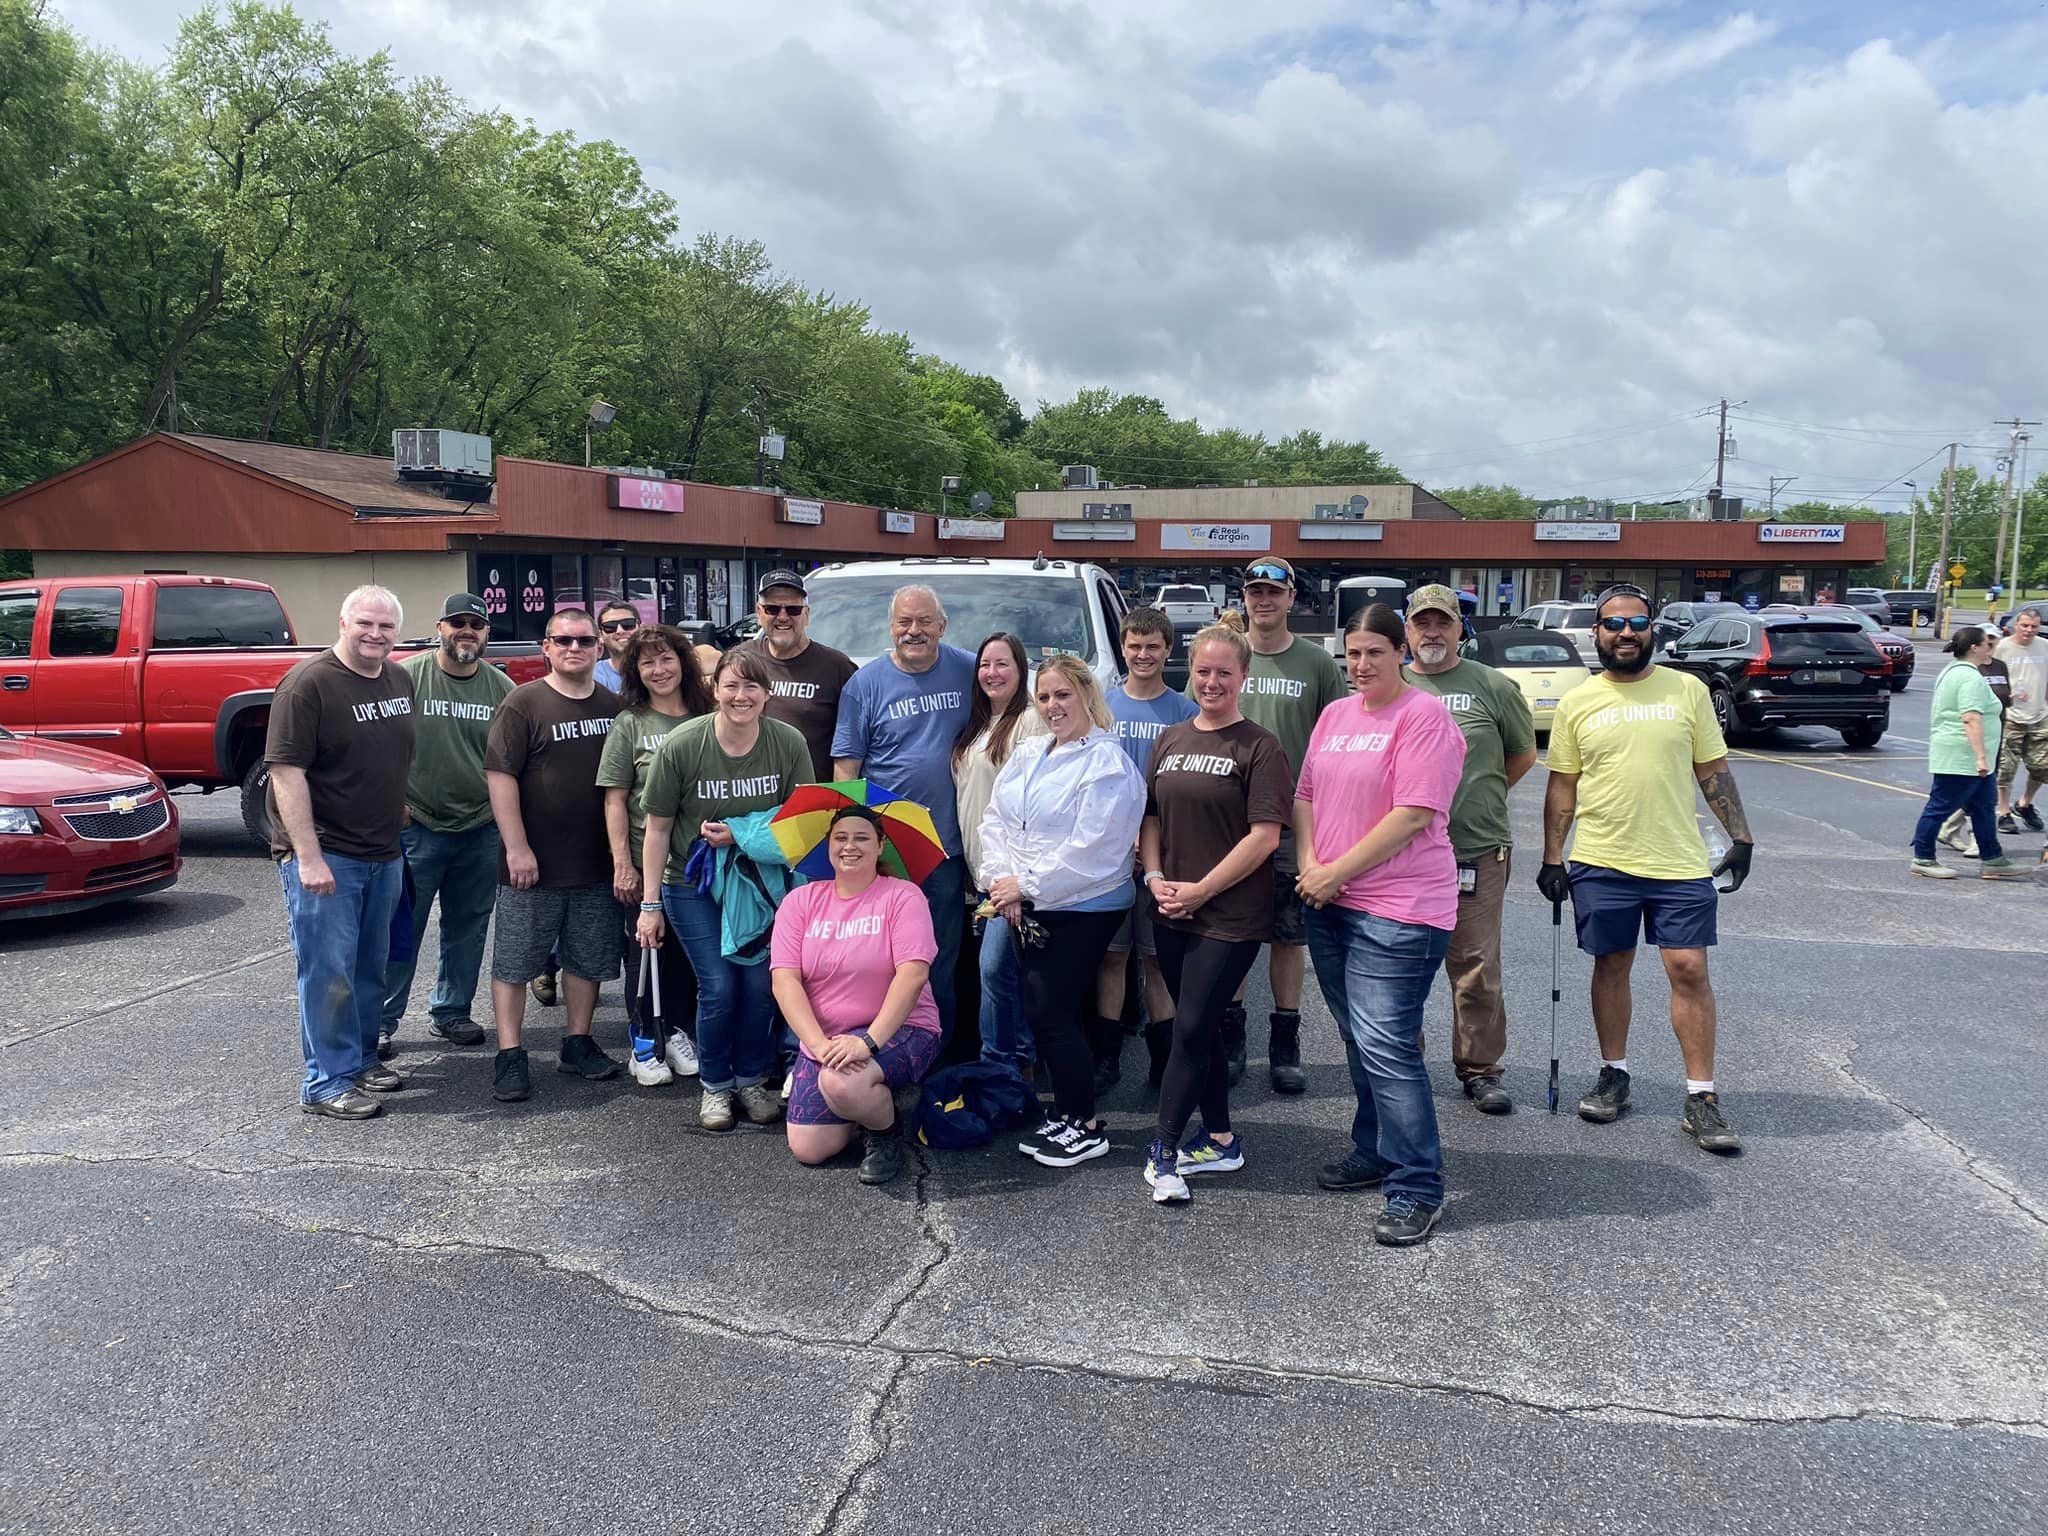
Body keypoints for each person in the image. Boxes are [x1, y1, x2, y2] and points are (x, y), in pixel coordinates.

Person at [1537, 584, 1755, 1157]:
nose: (1625, 633)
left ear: (1652, 628)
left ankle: (1701, 1097)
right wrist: (1552, 856)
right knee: (1611, 965)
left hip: (1677, 860)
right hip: (1601, 859)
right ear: (1597, 634)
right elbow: (1563, 786)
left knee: (1688, 969)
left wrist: (1741, 835)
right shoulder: (1579, 701)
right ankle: (1615, 1074)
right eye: (1613, 624)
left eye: (1636, 622)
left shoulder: (1687, 690)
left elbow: (1713, 769)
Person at [1297, 604, 1466, 1246]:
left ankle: (1417, 1187)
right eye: (1353, 653)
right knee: (1358, 1040)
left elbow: (1415, 814)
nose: (1361, 664)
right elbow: (1305, 794)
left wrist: (1335, 871)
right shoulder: (1337, 714)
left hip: (1398, 909)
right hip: (1329, 899)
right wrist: (1313, 863)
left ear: (1402, 653)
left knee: (1389, 1047)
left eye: (1374, 652)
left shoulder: (1424, 717)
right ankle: (1372, 1152)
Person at [1138, 618, 1291, 1204]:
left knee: (1194, 1026)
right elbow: (1150, 817)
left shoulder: (1259, 746)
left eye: (1225, 672)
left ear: (1243, 677)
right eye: (1203, 671)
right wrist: (1154, 878)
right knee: (1194, 1028)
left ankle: (1165, 1150)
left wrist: (1201, 889)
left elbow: (1264, 837)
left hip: (1228, 914)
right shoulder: (1171, 739)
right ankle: (1222, 1138)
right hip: (1170, 906)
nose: (1212, 681)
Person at [980, 655, 1146, 1168]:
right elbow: (996, 821)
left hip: (1084, 903)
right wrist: (1001, 881)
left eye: (1063, 695)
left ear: (1087, 696)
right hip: (1029, 900)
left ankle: (1087, 1125)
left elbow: (1094, 847)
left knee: (1052, 1011)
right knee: (1044, 1009)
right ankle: (1071, 1113)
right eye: (1045, 697)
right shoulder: (1029, 752)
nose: (1053, 706)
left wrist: (1023, 886)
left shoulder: (1107, 763)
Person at [1191, 557, 1349, 1092]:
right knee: (1233, 933)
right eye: (1255, 591)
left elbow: (1337, 740)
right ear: (1244, 597)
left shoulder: (1317, 664)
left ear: (1291, 599)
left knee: (1288, 937)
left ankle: (1285, 1040)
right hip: (1227, 824)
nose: (1263, 600)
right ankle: (1233, 1039)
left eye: (1273, 592)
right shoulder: (1227, 656)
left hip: (1289, 823)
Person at [639, 648, 813, 1130]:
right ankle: (715, 1087)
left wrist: (740, 834)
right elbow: (657, 828)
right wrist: (649, 905)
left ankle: (751, 1078)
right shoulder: (682, 744)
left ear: (767, 693)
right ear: (715, 690)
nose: (742, 696)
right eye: (731, 686)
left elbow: (801, 825)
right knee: (718, 986)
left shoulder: (787, 742)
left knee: (761, 985)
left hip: (759, 883)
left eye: (752, 686)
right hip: (692, 883)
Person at [266, 585, 417, 1119]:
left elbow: (391, 752)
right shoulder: (308, 685)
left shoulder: (398, 677)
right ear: (343, 622)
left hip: (384, 851)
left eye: (385, 627)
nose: (375, 634)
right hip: (330, 854)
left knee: (370, 965)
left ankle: (360, 1060)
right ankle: (326, 1082)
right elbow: (286, 774)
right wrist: (308, 857)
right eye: (365, 624)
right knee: (328, 972)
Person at [1399, 584, 1538, 1115]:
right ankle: (1404, 1061)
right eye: (1421, 623)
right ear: (1407, 630)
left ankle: (1479, 1069)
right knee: (1404, 963)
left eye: (1443, 622)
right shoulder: (1392, 682)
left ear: (1461, 628)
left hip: (1474, 849)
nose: (1431, 632)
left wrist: (1472, 797)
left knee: (1475, 965)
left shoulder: (1493, 686)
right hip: (1403, 854)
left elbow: (1521, 756)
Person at [482, 607, 623, 1103]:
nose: (574, 649)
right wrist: (517, 847)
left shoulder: (614, 706)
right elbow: (500, 777)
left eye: (585, 641)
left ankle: (577, 1042)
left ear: (598, 649)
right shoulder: (523, 704)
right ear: (546, 647)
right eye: (563, 641)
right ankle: (510, 1053)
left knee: (587, 958)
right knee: (517, 960)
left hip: (595, 861)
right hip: (532, 864)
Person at [832, 585, 977, 1040]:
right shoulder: (865, 684)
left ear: (942, 626)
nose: (914, 631)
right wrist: (851, 842)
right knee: (880, 959)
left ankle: (937, 1054)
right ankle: (883, 1047)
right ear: (891, 627)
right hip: (888, 850)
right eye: (904, 623)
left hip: (946, 850)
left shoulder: (969, 670)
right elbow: (846, 769)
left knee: (940, 958)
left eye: (924, 622)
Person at [771, 807, 943, 1185]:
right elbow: (784, 981)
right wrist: (817, 1044)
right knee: (810, 1148)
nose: (850, 846)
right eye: (841, 838)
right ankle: (871, 1102)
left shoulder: (903, 897)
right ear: (829, 846)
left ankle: (885, 1133)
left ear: (880, 845)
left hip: (902, 1029)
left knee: (841, 1084)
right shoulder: (800, 902)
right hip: (828, 1039)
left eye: (862, 837)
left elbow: (913, 975)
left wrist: (868, 1042)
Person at [378, 593, 513, 1057]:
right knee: (402, 927)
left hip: (479, 827)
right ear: (439, 627)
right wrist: (391, 801)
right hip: (418, 826)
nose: (467, 631)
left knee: (468, 925)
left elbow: (513, 762)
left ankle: (451, 1011)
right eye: (458, 622)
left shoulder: (500, 688)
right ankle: (381, 1020)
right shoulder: (407, 676)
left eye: (476, 624)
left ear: (487, 633)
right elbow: (379, 743)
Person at [596, 624, 714, 1085]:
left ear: (684, 663)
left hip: (700, 862)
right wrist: (622, 863)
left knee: (689, 957)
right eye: (647, 662)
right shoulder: (632, 723)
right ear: (635, 672)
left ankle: (678, 1033)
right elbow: (614, 798)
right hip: (648, 861)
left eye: (666, 659)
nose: (659, 669)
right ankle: (644, 1042)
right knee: (646, 952)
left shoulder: (708, 715)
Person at [1098, 606, 1197, 1091]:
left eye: (1153, 647)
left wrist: (1151, 840)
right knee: (1113, 958)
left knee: (1157, 959)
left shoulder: (1183, 710)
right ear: (1123, 647)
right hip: (1112, 855)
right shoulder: (1104, 707)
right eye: (1134, 646)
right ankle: (1108, 1056)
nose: (1143, 655)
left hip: (1165, 854)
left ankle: (1164, 1059)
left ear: (1167, 651)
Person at [954, 632, 1048, 1076]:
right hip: (981, 871)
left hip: (1012, 875)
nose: (992, 673)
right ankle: (1020, 1056)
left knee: (994, 967)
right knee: (1004, 970)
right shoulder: (976, 726)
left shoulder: (1030, 722)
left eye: (1002, 664)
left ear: (1020, 670)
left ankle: (1002, 1064)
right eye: (984, 664)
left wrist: (1014, 876)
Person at [1912, 627, 2032, 880]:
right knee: (1940, 807)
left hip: (1978, 760)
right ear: (1974, 648)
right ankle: (1923, 858)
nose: (1991, 647)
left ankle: (1993, 859)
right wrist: (1979, 757)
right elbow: (1970, 718)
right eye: (1986, 644)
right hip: (1963, 758)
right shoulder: (1969, 677)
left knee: (1984, 808)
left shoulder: (1955, 671)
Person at [739, 569, 857, 782]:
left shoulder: (837, 667)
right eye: (772, 608)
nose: (782, 617)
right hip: (752, 801)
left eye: (793, 609)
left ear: (806, 614)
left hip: (810, 802)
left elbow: (854, 742)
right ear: (759, 613)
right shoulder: (742, 659)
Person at [1994, 608, 2047, 834]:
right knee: (2006, 768)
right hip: (2010, 716)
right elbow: (1990, 676)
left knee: (2042, 767)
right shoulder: (2002, 647)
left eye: (2034, 626)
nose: (2029, 630)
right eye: (2025, 625)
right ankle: (2004, 812)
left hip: (2039, 715)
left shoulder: (2044, 647)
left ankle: (2024, 804)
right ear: (2017, 624)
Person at [591, 599, 639, 693]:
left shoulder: (656, 670)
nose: (620, 631)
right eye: (610, 627)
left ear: (640, 627)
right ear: (600, 635)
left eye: (628, 624)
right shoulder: (592, 676)